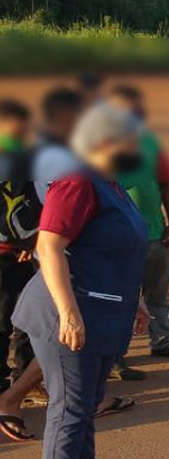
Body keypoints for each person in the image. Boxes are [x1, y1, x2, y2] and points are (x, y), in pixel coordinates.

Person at [12, 102, 150, 459]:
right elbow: (49, 247)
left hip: (104, 309)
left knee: (87, 402)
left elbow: (119, 250)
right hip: (68, 312)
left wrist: (137, 301)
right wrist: (69, 312)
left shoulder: (108, 183)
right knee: (69, 409)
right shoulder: (76, 181)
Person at [108, 85, 169, 360]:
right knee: (119, 296)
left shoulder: (153, 144)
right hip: (118, 238)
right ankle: (115, 355)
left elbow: (168, 185)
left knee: (157, 295)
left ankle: (163, 341)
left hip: (155, 234)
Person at [0, 98, 37, 440]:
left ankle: (23, 385)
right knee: (2, 325)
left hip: (22, 254)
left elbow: (35, 205)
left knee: (25, 322)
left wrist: (31, 241)